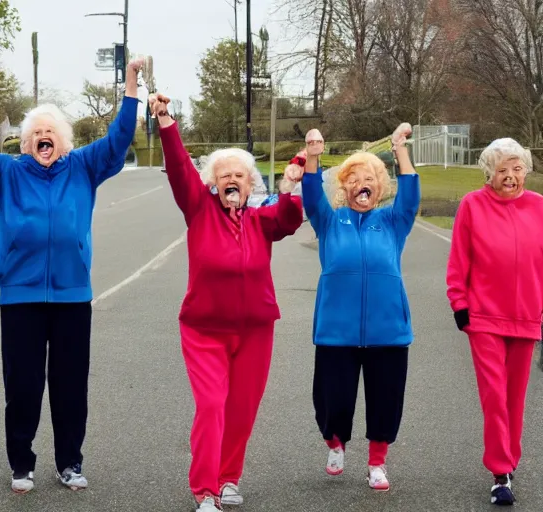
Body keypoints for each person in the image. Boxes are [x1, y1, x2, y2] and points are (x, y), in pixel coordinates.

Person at [0, 54, 143, 493]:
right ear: (25, 144)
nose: (44, 138)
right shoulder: (7, 172)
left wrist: (132, 84)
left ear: (63, 142)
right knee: (22, 386)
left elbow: (119, 136)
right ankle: (21, 463)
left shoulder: (83, 166)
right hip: (20, 296)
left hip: (71, 296)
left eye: (51, 133)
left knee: (69, 387)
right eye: (36, 134)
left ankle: (70, 462)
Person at [151, 94, 304, 511]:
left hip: (256, 329)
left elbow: (289, 220)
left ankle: (228, 478)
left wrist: (290, 186)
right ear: (213, 184)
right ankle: (204, 489)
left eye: (240, 174)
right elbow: (181, 169)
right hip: (204, 328)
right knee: (213, 405)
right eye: (224, 175)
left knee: (241, 409)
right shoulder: (198, 209)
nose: (233, 179)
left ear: (251, 184)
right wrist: (166, 121)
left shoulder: (260, 220)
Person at [298, 125, 420, 492]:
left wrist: (399, 149)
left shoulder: (393, 221)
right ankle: (335, 444)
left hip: (387, 331)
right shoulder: (330, 220)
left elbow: (411, 196)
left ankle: (377, 463)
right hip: (338, 331)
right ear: (345, 187)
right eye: (354, 179)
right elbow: (310, 195)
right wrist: (313, 155)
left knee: (385, 399)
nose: (362, 184)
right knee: (332, 398)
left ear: (379, 187)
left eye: (370, 179)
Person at [446, 138, 543, 506]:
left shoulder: (539, 206)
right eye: (502, 170)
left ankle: (509, 458)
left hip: (527, 316)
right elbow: (459, 258)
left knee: (515, 397)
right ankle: (500, 472)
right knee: (494, 396)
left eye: (517, 169)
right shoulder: (473, 205)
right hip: (484, 315)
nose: (510, 176)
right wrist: (459, 301)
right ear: (489, 173)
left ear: (526, 172)